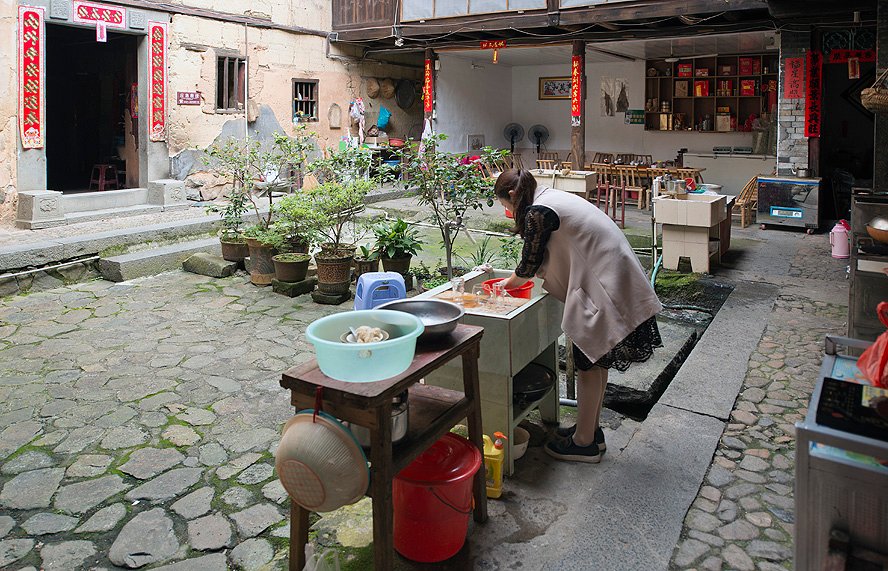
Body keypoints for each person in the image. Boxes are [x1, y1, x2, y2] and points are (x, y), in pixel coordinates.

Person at [493, 169, 663, 463]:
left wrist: (501, 287)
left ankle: (583, 444)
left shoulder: (537, 211)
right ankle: (590, 432)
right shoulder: (549, 197)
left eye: (505, 206)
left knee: (588, 362)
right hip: (611, 274)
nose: (508, 212)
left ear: (511, 195)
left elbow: (529, 264)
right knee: (596, 360)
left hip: (605, 281)